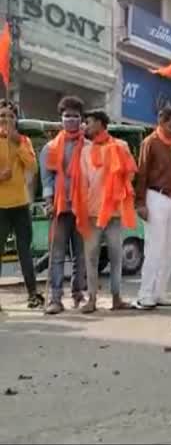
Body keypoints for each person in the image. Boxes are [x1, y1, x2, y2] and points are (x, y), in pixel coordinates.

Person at [78, 111, 137, 313]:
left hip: (114, 212)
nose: (86, 126)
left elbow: (130, 174)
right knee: (91, 257)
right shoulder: (85, 151)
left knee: (116, 255)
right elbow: (83, 182)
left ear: (101, 124)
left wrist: (118, 190)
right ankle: (92, 299)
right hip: (93, 212)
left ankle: (116, 298)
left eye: (89, 122)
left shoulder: (121, 146)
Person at [40, 96, 90, 314]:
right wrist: (49, 201)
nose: (71, 120)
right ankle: (55, 298)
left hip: (83, 207)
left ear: (81, 120)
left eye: (75, 116)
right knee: (57, 255)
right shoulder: (50, 148)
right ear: (60, 119)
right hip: (60, 208)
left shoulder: (89, 147)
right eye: (67, 116)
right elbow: (47, 179)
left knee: (81, 255)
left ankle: (78, 293)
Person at [133, 106, 171, 309]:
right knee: (154, 249)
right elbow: (142, 173)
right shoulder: (151, 142)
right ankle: (144, 294)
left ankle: (160, 292)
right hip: (155, 197)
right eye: (169, 120)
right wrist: (140, 203)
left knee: (170, 250)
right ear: (160, 121)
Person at [0, 98, 43, 310]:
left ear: (16, 120)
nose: (6, 120)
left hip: (20, 204)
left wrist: (16, 141)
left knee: (24, 251)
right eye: (2, 116)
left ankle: (33, 294)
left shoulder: (23, 141)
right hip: (0, 207)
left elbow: (33, 167)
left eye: (10, 116)